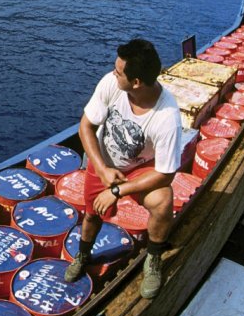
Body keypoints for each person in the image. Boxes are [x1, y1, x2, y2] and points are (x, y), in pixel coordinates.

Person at [64, 38, 182, 300]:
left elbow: (166, 174)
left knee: (163, 202)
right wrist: (103, 169)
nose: (113, 73)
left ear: (136, 82)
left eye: (119, 72)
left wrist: (117, 191)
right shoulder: (111, 84)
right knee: (92, 214)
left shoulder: (167, 117)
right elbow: (86, 127)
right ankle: (84, 255)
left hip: (142, 168)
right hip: (105, 161)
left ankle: (153, 258)